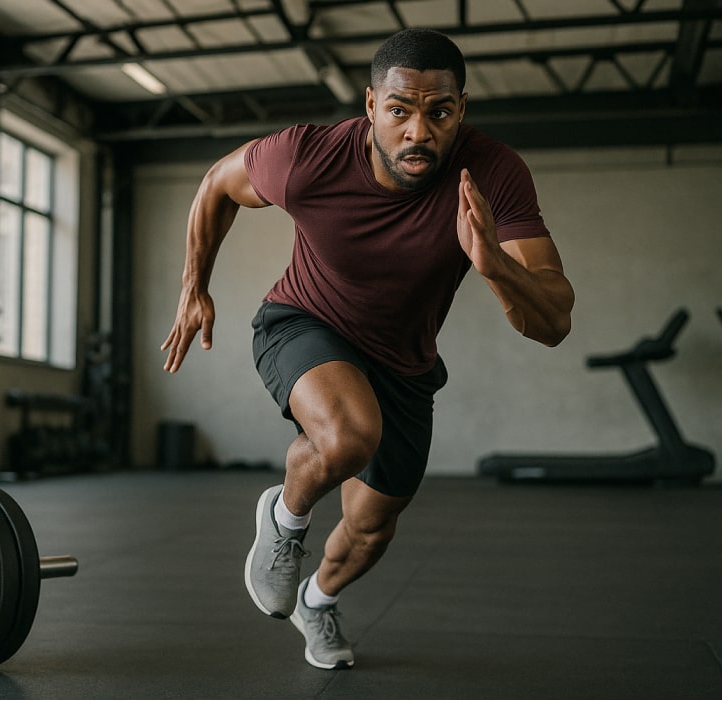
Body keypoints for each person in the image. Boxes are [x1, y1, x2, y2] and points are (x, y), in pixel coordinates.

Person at [160, 27, 575, 670]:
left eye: (439, 112)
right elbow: (217, 183)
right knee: (350, 434)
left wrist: (494, 264)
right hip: (303, 323)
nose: (418, 132)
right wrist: (194, 287)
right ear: (371, 105)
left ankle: (317, 601)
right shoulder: (308, 157)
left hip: (405, 365)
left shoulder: (494, 173)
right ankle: (285, 519)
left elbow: (553, 320)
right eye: (400, 110)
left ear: (461, 110)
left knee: (372, 525)